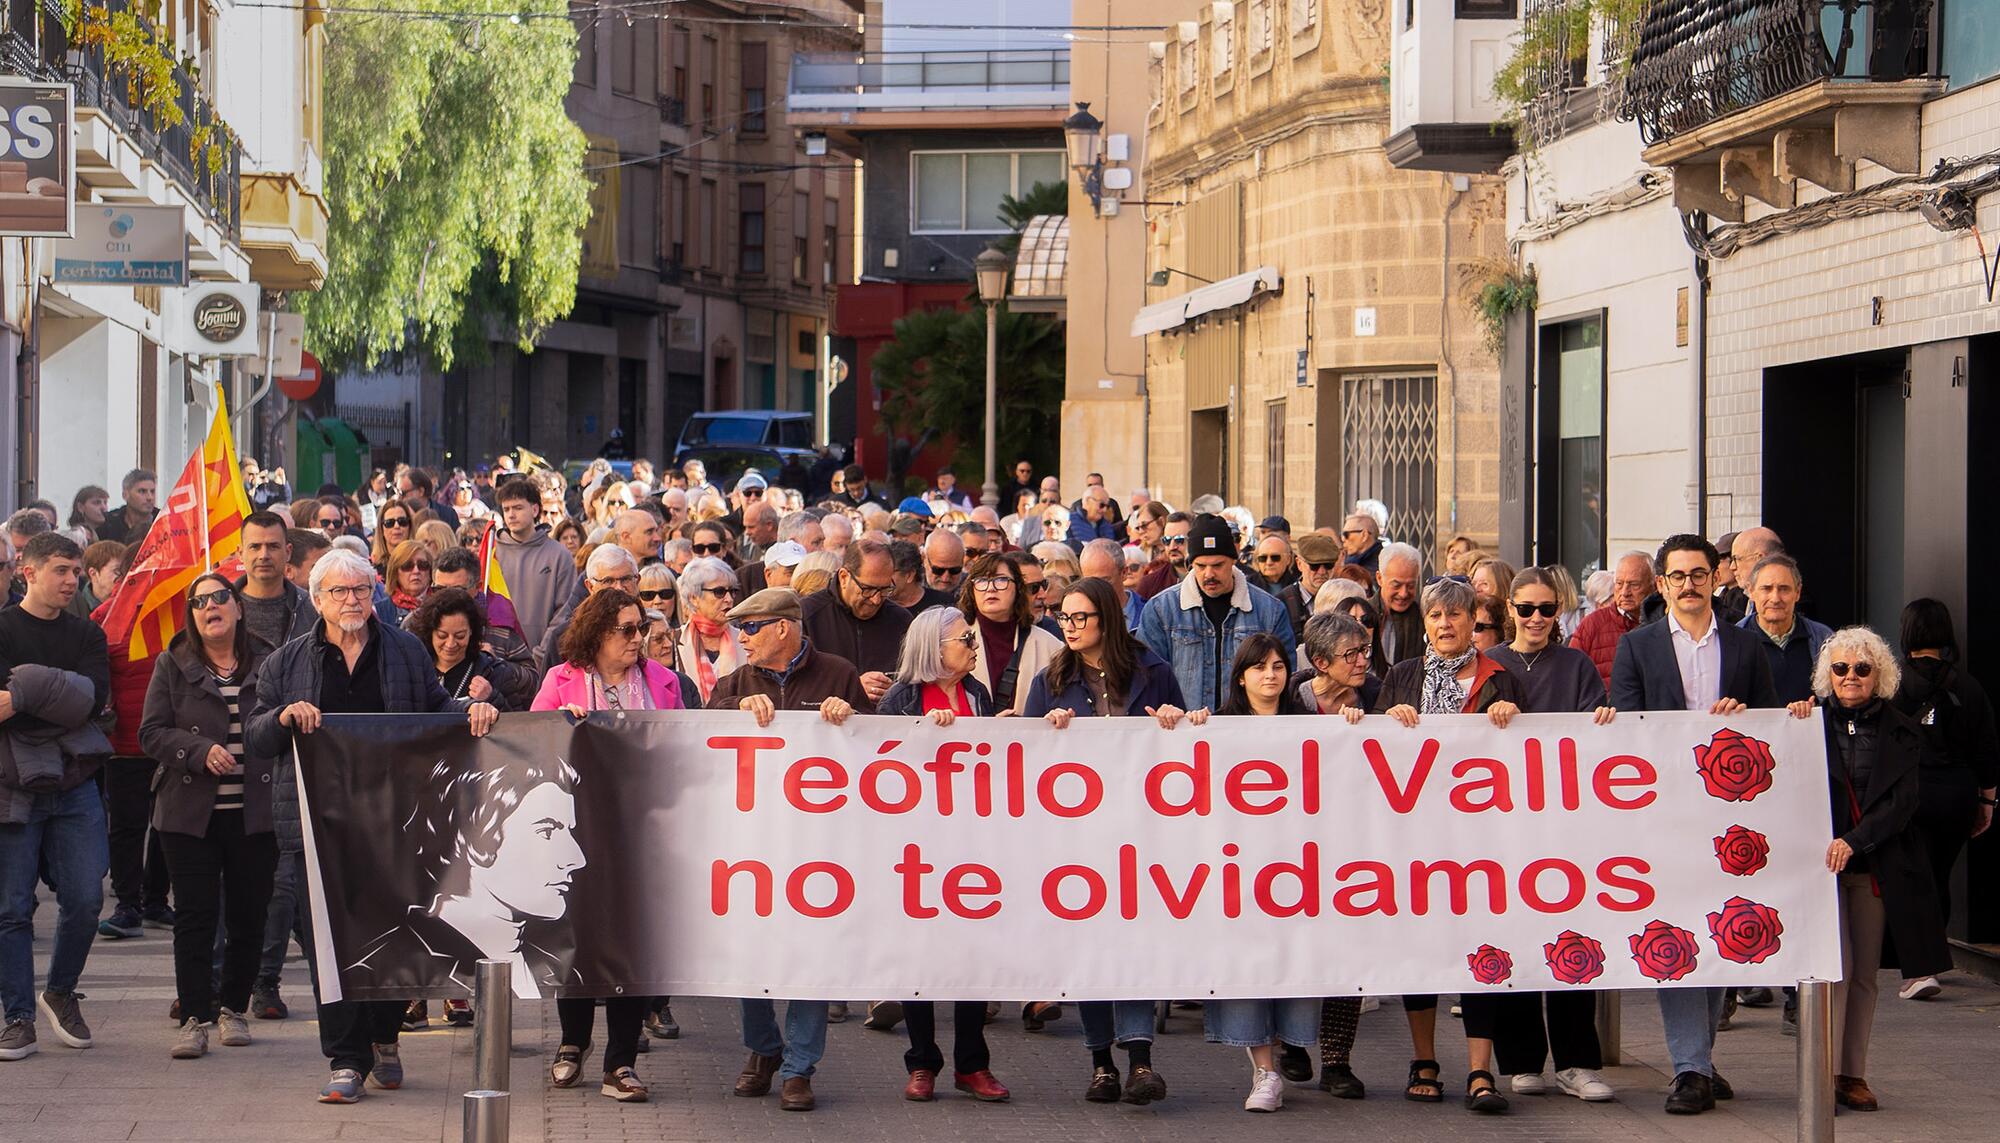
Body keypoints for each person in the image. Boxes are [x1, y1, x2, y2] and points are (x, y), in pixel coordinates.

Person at [242, 548, 498, 1103]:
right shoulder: (286, 662)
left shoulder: (404, 649)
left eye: (360, 590)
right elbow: (257, 737)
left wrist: (473, 712)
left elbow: (433, 710)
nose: (352, 600)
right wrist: (285, 717)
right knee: (328, 945)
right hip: (318, 827)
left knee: (389, 937)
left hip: (393, 822)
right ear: (318, 600)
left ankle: (384, 1037)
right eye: (339, 592)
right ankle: (345, 1059)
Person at [1608, 534, 1776, 1116]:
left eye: (1698, 573)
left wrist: (1748, 719)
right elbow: (1626, 733)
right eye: (1676, 575)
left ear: (1716, 577)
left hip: (1733, 819)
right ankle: (1689, 1068)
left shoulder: (1747, 646)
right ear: (1662, 584)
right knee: (1675, 933)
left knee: (1725, 929)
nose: (1687, 584)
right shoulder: (1637, 646)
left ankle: (1697, 1059)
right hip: (1664, 816)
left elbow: (1771, 729)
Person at [1025, 576, 1189, 1104]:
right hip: (1076, 838)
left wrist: (1173, 721)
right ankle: (1102, 1063)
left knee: (1135, 947)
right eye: (1062, 618)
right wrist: (1045, 730)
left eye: (1079, 618)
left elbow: (1184, 747)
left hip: (1140, 832)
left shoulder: (1153, 671)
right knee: (1090, 949)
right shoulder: (1052, 678)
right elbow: (1023, 758)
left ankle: (1140, 1060)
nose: (1068, 627)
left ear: (1107, 620)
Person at [709, 588, 866, 1112]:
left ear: (783, 627)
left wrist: (853, 715)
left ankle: (799, 1066)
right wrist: (734, 708)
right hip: (752, 846)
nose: (742, 638)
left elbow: (878, 751)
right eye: (740, 629)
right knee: (750, 952)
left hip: (820, 845)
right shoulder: (735, 680)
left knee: (810, 956)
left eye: (751, 628)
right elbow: (701, 735)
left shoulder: (839, 673)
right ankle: (763, 1048)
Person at [1374, 577, 1524, 1112]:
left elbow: (1525, 759)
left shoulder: (1499, 679)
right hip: (1416, 838)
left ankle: (1481, 1072)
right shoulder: (1402, 676)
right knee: (1423, 948)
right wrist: (1388, 722)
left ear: (1472, 621)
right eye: (1435, 616)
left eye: (1455, 616)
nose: (1444, 625)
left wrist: (1509, 721)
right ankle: (1424, 1060)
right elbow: (1374, 754)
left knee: (1481, 949)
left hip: (1481, 842)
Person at [1786, 628, 1951, 1113]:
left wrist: (1854, 842)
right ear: (1827, 675)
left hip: (1875, 862)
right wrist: (1795, 716)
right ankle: (1820, 1073)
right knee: (1830, 972)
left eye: (1862, 668)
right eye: (1840, 668)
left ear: (1879, 674)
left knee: (1863, 975)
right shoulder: (1807, 721)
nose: (1851, 677)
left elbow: (1903, 802)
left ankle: (1850, 1074)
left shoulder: (1902, 728)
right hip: (1817, 867)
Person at [532, 587, 683, 1103]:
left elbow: (685, 748)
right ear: (597, 633)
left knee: (632, 942)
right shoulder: (561, 680)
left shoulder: (664, 683)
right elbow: (531, 746)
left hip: (643, 832)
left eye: (642, 628)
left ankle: (621, 1062)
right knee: (577, 935)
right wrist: (562, 728)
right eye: (627, 629)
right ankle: (572, 1043)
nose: (639, 639)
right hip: (578, 831)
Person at [1476, 568, 1617, 1102]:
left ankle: (1577, 1061)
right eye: (1526, 608)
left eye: (1547, 609)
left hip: (1567, 825)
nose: (1536, 618)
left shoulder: (1577, 665)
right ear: (1509, 608)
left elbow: (1591, 737)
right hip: (1504, 825)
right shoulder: (1491, 665)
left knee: (1573, 937)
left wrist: (1604, 719)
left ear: (1560, 612)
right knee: (1514, 938)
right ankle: (1522, 1059)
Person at [139, 574, 280, 1060]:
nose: (210, 606)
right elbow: (151, 733)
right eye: (199, 602)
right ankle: (195, 1017)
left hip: (254, 812)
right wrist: (198, 750)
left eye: (220, 597)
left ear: (238, 608)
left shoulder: (270, 661)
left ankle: (233, 1009)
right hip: (189, 814)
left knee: (248, 916)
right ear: (192, 616)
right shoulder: (171, 663)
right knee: (195, 917)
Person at [875, 607, 1010, 1103]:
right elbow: (881, 767)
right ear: (934, 649)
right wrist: (922, 735)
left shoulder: (977, 694)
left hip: (972, 843)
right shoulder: (902, 698)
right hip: (918, 847)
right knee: (920, 958)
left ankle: (972, 1065)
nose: (973, 644)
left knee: (972, 956)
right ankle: (923, 1063)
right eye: (964, 638)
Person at [1194, 634, 1323, 1112]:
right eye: (1259, 667)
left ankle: (1289, 1044)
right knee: (1247, 965)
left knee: (1294, 960)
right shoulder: (1217, 726)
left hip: (1298, 868)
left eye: (1278, 666)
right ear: (1241, 675)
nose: (1270, 675)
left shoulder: (1310, 727)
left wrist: (1352, 727)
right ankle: (1264, 1072)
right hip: (1239, 868)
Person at [0, 533, 112, 1061]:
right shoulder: (2, 627)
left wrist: (20, 693)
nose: (73, 580)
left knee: (87, 899)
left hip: (73, 782)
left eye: (76, 572)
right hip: (12, 785)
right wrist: (57, 692)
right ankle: (18, 1017)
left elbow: (89, 702)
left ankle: (60, 990)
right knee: (13, 908)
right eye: (62, 571)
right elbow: (67, 698)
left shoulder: (86, 633)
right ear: (29, 571)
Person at [1890, 599, 1998, 1003]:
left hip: (1910, 794)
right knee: (1938, 874)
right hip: (1957, 793)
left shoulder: (1893, 682)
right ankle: (1932, 959)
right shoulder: (1967, 686)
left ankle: (1920, 969)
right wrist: (1988, 801)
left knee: (1912, 879)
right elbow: (1987, 748)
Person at [1138, 514, 1295, 713]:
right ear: (1190, 564)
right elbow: (1148, 677)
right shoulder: (1161, 609)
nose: (1209, 574)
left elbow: (1287, 674)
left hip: (1248, 730)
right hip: (1182, 731)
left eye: (1218, 565)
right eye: (1201, 566)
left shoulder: (1270, 610)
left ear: (1233, 561)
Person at [802, 539, 911, 708]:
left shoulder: (901, 620)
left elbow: (915, 685)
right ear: (844, 577)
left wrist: (896, 692)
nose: (876, 600)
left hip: (884, 726)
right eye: (868, 589)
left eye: (885, 590)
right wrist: (851, 688)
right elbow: (795, 688)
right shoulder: (808, 616)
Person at [491, 480, 577, 661]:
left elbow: (565, 611)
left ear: (535, 510)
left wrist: (541, 655)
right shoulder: (492, 554)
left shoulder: (560, 555)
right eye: (506, 509)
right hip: (497, 661)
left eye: (518, 508)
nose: (511, 515)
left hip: (544, 661)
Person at [1737, 554, 1831, 704]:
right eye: (1766, 589)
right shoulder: (1732, 641)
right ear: (1751, 592)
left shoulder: (1823, 639)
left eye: (1784, 589)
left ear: (1798, 592)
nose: (1775, 598)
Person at [539, 545, 641, 673]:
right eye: (608, 581)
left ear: (637, 581)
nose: (619, 588)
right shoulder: (565, 638)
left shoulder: (652, 628)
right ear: (590, 587)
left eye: (626, 579)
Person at [232, 511, 318, 650]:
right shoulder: (221, 607)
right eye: (255, 547)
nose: (264, 555)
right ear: (240, 553)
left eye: (273, 546)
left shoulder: (312, 608)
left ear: (288, 552)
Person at [1570, 551, 1654, 687]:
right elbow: (1571, 677)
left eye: (1634, 585)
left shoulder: (1665, 623)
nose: (1625, 592)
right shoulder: (1592, 624)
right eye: (1619, 584)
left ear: (1653, 585)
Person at [675, 557, 744, 704]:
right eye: (719, 592)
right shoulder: (672, 640)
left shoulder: (745, 639)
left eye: (732, 591)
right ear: (694, 598)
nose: (729, 599)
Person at [1274, 532, 1340, 635]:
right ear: (1299, 564)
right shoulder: (1281, 604)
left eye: (1328, 565)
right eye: (1314, 566)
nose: (1322, 572)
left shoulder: (1343, 599)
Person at [1374, 542, 1426, 672]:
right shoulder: (1363, 616)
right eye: (1396, 585)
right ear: (1380, 578)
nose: (1403, 594)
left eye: (1411, 586)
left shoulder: (1425, 619)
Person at [374, 540, 432, 626]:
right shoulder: (378, 612)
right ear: (395, 572)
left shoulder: (442, 606)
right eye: (407, 566)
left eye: (423, 565)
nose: (416, 571)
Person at [96, 468, 158, 545]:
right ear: (125, 495)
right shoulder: (108, 524)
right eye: (142, 491)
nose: (150, 497)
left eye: (152, 491)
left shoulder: (166, 521)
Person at [68, 539, 125, 619]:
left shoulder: (128, 604)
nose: (123, 576)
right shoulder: (74, 607)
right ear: (93, 573)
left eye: (125, 570)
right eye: (117, 571)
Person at [367, 500, 416, 573]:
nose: (397, 526)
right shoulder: (371, 568)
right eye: (389, 523)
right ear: (381, 529)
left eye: (402, 521)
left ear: (410, 526)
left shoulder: (420, 563)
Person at [1066, 486, 1118, 553]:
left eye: (1107, 506)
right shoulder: (1069, 520)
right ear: (1088, 501)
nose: (1104, 510)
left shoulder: (1106, 525)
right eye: (1101, 505)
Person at [922, 528, 967, 601]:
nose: (945, 578)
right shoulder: (908, 584)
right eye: (938, 570)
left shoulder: (972, 591)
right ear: (924, 559)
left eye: (954, 570)